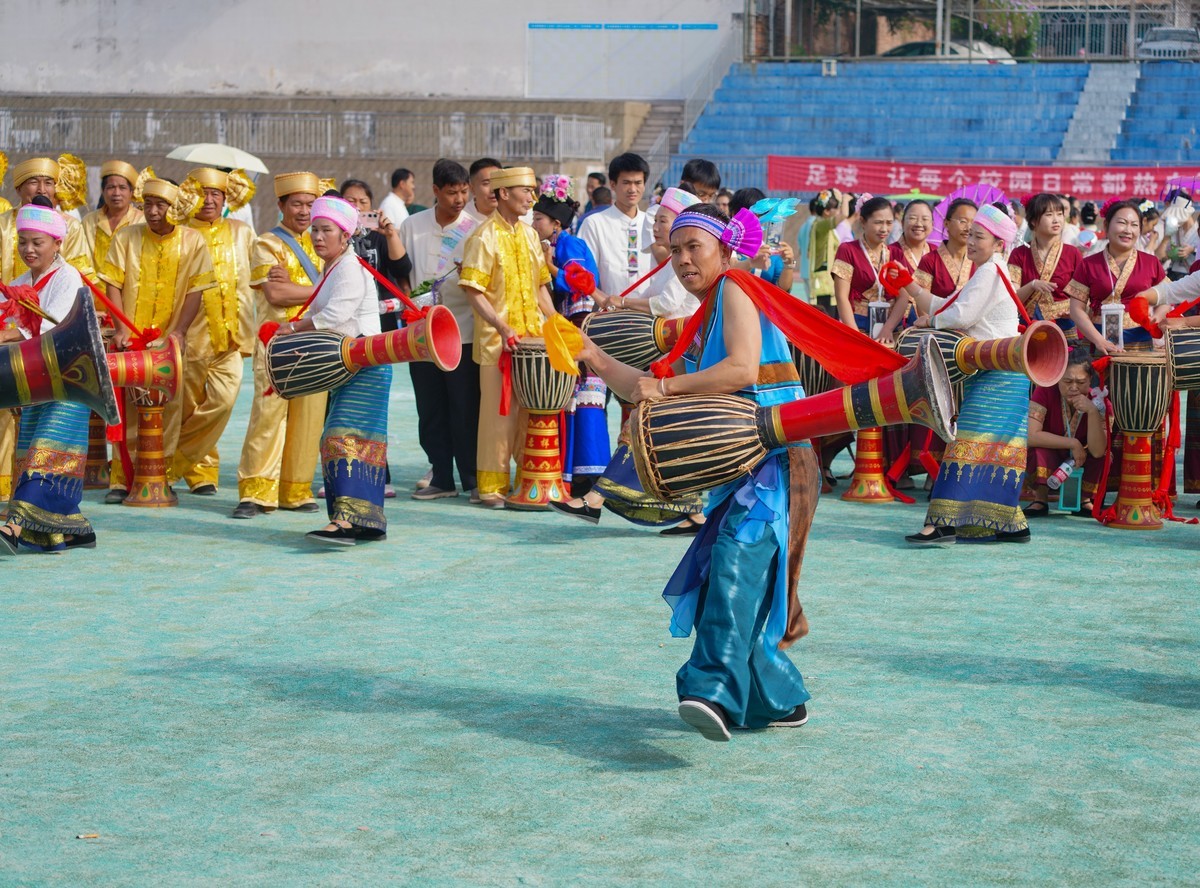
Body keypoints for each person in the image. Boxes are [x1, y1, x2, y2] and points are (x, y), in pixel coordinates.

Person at [576, 204, 821, 740]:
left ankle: (710, 691)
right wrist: (592, 356)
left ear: (725, 249)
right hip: (745, 459)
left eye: (694, 247)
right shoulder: (705, 313)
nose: (683, 258)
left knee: (734, 566)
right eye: (675, 249)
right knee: (728, 578)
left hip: (775, 459)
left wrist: (664, 387)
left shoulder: (735, 286)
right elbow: (645, 386)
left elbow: (741, 369)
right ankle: (777, 698)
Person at [550, 187, 707, 532]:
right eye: (656, 220)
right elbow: (652, 299)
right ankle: (694, 514)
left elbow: (665, 305)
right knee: (665, 435)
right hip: (670, 356)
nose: (655, 226)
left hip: (680, 357)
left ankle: (594, 500)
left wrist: (620, 303)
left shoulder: (684, 265)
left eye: (662, 220)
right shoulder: (668, 262)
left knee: (640, 426)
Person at [898, 204, 1030, 545]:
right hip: (1005, 372)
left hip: (998, 373)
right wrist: (909, 286)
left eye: (979, 236)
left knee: (966, 447)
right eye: (970, 234)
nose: (970, 241)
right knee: (997, 450)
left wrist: (930, 321)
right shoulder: (991, 270)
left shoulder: (989, 272)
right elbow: (948, 304)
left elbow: (960, 314)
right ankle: (1010, 523)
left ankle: (941, 524)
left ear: (999, 243)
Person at [266, 196, 391, 545]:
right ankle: (365, 521)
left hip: (365, 362)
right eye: (315, 230)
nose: (318, 237)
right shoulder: (334, 267)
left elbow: (336, 316)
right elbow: (324, 313)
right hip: (354, 363)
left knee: (342, 437)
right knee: (356, 441)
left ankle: (346, 521)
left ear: (345, 235)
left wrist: (294, 327)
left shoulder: (348, 267)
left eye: (326, 231)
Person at [99, 177, 216, 502]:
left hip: (169, 341)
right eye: (148, 204)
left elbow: (195, 290)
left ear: (175, 207)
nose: (152, 212)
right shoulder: (126, 237)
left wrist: (179, 332)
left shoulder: (193, 241)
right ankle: (120, 479)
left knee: (170, 406)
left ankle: (160, 475)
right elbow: (113, 283)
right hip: (130, 337)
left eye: (160, 205)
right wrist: (121, 328)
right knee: (126, 406)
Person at [0, 200, 97, 554]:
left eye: (37, 242)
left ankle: (12, 527)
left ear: (57, 243)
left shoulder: (68, 277)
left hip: (68, 382)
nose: (28, 249)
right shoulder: (18, 283)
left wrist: (9, 334)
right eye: (23, 242)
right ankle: (76, 530)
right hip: (34, 385)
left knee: (45, 454)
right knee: (39, 455)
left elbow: (51, 330)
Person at [458, 166, 557, 507]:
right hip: (497, 343)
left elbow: (540, 286)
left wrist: (556, 322)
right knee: (498, 418)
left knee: (530, 413)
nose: (532, 197)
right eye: (525, 190)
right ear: (503, 193)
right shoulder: (482, 237)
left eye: (532, 190)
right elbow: (473, 290)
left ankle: (525, 481)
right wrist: (500, 326)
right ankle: (491, 487)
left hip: (531, 341)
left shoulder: (530, 235)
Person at [233, 171, 327, 518]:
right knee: (268, 417)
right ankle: (255, 492)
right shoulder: (266, 244)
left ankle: (295, 491)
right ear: (281, 205)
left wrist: (299, 288)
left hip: (316, 341)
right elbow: (275, 293)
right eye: (297, 204)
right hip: (276, 344)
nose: (304, 211)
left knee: (309, 420)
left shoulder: (325, 243)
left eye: (310, 204)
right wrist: (322, 290)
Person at [398, 159, 482, 502]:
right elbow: (400, 271)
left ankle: (472, 478)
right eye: (451, 193)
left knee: (464, 407)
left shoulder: (477, 229)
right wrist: (407, 302)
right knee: (430, 408)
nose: (459, 199)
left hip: (463, 333)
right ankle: (442, 476)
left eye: (463, 192)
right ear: (435, 190)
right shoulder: (411, 226)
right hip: (421, 335)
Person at [174, 167, 255, 497]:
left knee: (222, 402)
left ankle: (169, 462)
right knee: (188, 406)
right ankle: (201, 472)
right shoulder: (181, 234)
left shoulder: (242, 232)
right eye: (203, 193)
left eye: (215, 194)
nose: (209, 200)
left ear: (225, 198)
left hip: (232, 336)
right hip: (191, 334)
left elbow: (257, 277)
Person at [530, 174, 608, 495]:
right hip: (570, 325)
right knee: (574, 399)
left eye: (538, 218)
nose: (533, 223)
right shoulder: (554, 245)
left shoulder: (571, 244)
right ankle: (575, 473)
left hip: (581, 324)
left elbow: (581, 281)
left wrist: (549, 268)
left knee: (586, 397)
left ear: (556, 224)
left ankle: (590, 474)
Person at [340, 177, 413, 499]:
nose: (357, 208)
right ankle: (342, 475)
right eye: (350, 202)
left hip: (376, 331)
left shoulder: (378, 237)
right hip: (341, 330)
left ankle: (379, 474)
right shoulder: (334, 236)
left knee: (373, 403)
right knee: (340, 404)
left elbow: (403, 266)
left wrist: (391, 233)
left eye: (363, 203)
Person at [1068, 199, 1166, 356]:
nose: (1128, 230)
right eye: (1122, 223)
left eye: (1134, 225)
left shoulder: (1151, 262)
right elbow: (1075, 309)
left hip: (1140, 344)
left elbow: (1166, 299)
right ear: (1106, 225)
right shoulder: (1088, 264)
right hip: (1098, 343)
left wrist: (1156, 317)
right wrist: (1098, 340)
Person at [1025, 348, 1106, 517]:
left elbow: (1098, 451)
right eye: (1067, 381)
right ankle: (1040, 498)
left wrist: (1092, 411)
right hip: (1053, 451)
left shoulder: (1099, 401)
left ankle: (1085, 499)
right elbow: (1031, 435)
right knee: (1036, 450)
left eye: (1081, 382)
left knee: (1105, 455)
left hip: (1082, 459)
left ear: (1090, 380)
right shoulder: (1045, 391)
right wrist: (1072, 443)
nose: (1074, 388)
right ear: (1058, 377)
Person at [578, 153, 652, 302]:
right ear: (613, 185)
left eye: (638, 183)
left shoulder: (653, 223)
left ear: (644, 185)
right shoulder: (594, 223)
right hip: (608, 312)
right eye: (626, 183)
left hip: (648, 312)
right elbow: (583, 273)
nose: (633, 189)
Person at [1008, 193, 1081, 341]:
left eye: (1059, 214)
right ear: (1033, 221)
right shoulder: (1019, 254)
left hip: (1065, 329)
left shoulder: (1073, 253)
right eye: (1049, 214)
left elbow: (1084, 296)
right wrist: (1032, 285)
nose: (1056, 220)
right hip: (1028, 327)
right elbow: (1012, 298)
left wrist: (1075, 309)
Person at [832, 195, 894, 335]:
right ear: (863, 221)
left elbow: (903, 296)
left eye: (889, 223)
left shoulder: (895, 252)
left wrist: (889, 329)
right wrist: (855, 335)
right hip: (857, 324)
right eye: (878, 222)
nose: (884, 229)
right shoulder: (848, 250)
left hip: (889, 329)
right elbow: (841, 296)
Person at [879, 199, 933, 341]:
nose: (919, 224)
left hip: (931, 326)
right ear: (902, 222)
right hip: (896, 327)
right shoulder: (889, 252)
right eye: (913, 218)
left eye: (925, 219)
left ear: (932, 224)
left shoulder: (937, 253)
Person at [79, 160, 144, 278]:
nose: (116, 193)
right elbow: (81, 258)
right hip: (93, 287)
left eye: (122, 187)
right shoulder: (88, 221)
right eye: (111, 187)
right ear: (103, 191)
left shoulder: (142, 222)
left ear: (131, 192)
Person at [729, 188, 796, 292]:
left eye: (760, 215)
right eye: (751, 214)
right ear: (734, 214)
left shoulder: (772, 253)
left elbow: (783, 290)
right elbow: (730, 271)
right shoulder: (726, 246)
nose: (756, 220)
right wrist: (751, 262)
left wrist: (789, 264)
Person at [806, 188, 843, 314]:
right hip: (823, 285)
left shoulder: (823, 227)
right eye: (836, 208)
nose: (838, 211)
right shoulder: (821, 226)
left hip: (830, 283)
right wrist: (843, 200)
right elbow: (843, 216)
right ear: (827, 211)